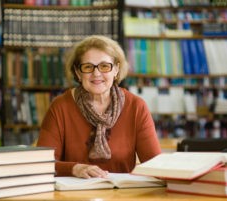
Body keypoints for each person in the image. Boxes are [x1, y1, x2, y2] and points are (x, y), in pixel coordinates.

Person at [37, 35, 161, 179]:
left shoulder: (136, 107)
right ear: (78, 72)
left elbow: (155, 164)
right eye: (88, 67)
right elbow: (42, 163)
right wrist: (73, 168)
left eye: (104, 66)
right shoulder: (60, 107)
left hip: (121, 195)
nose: (96, 74)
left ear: (116, 70)